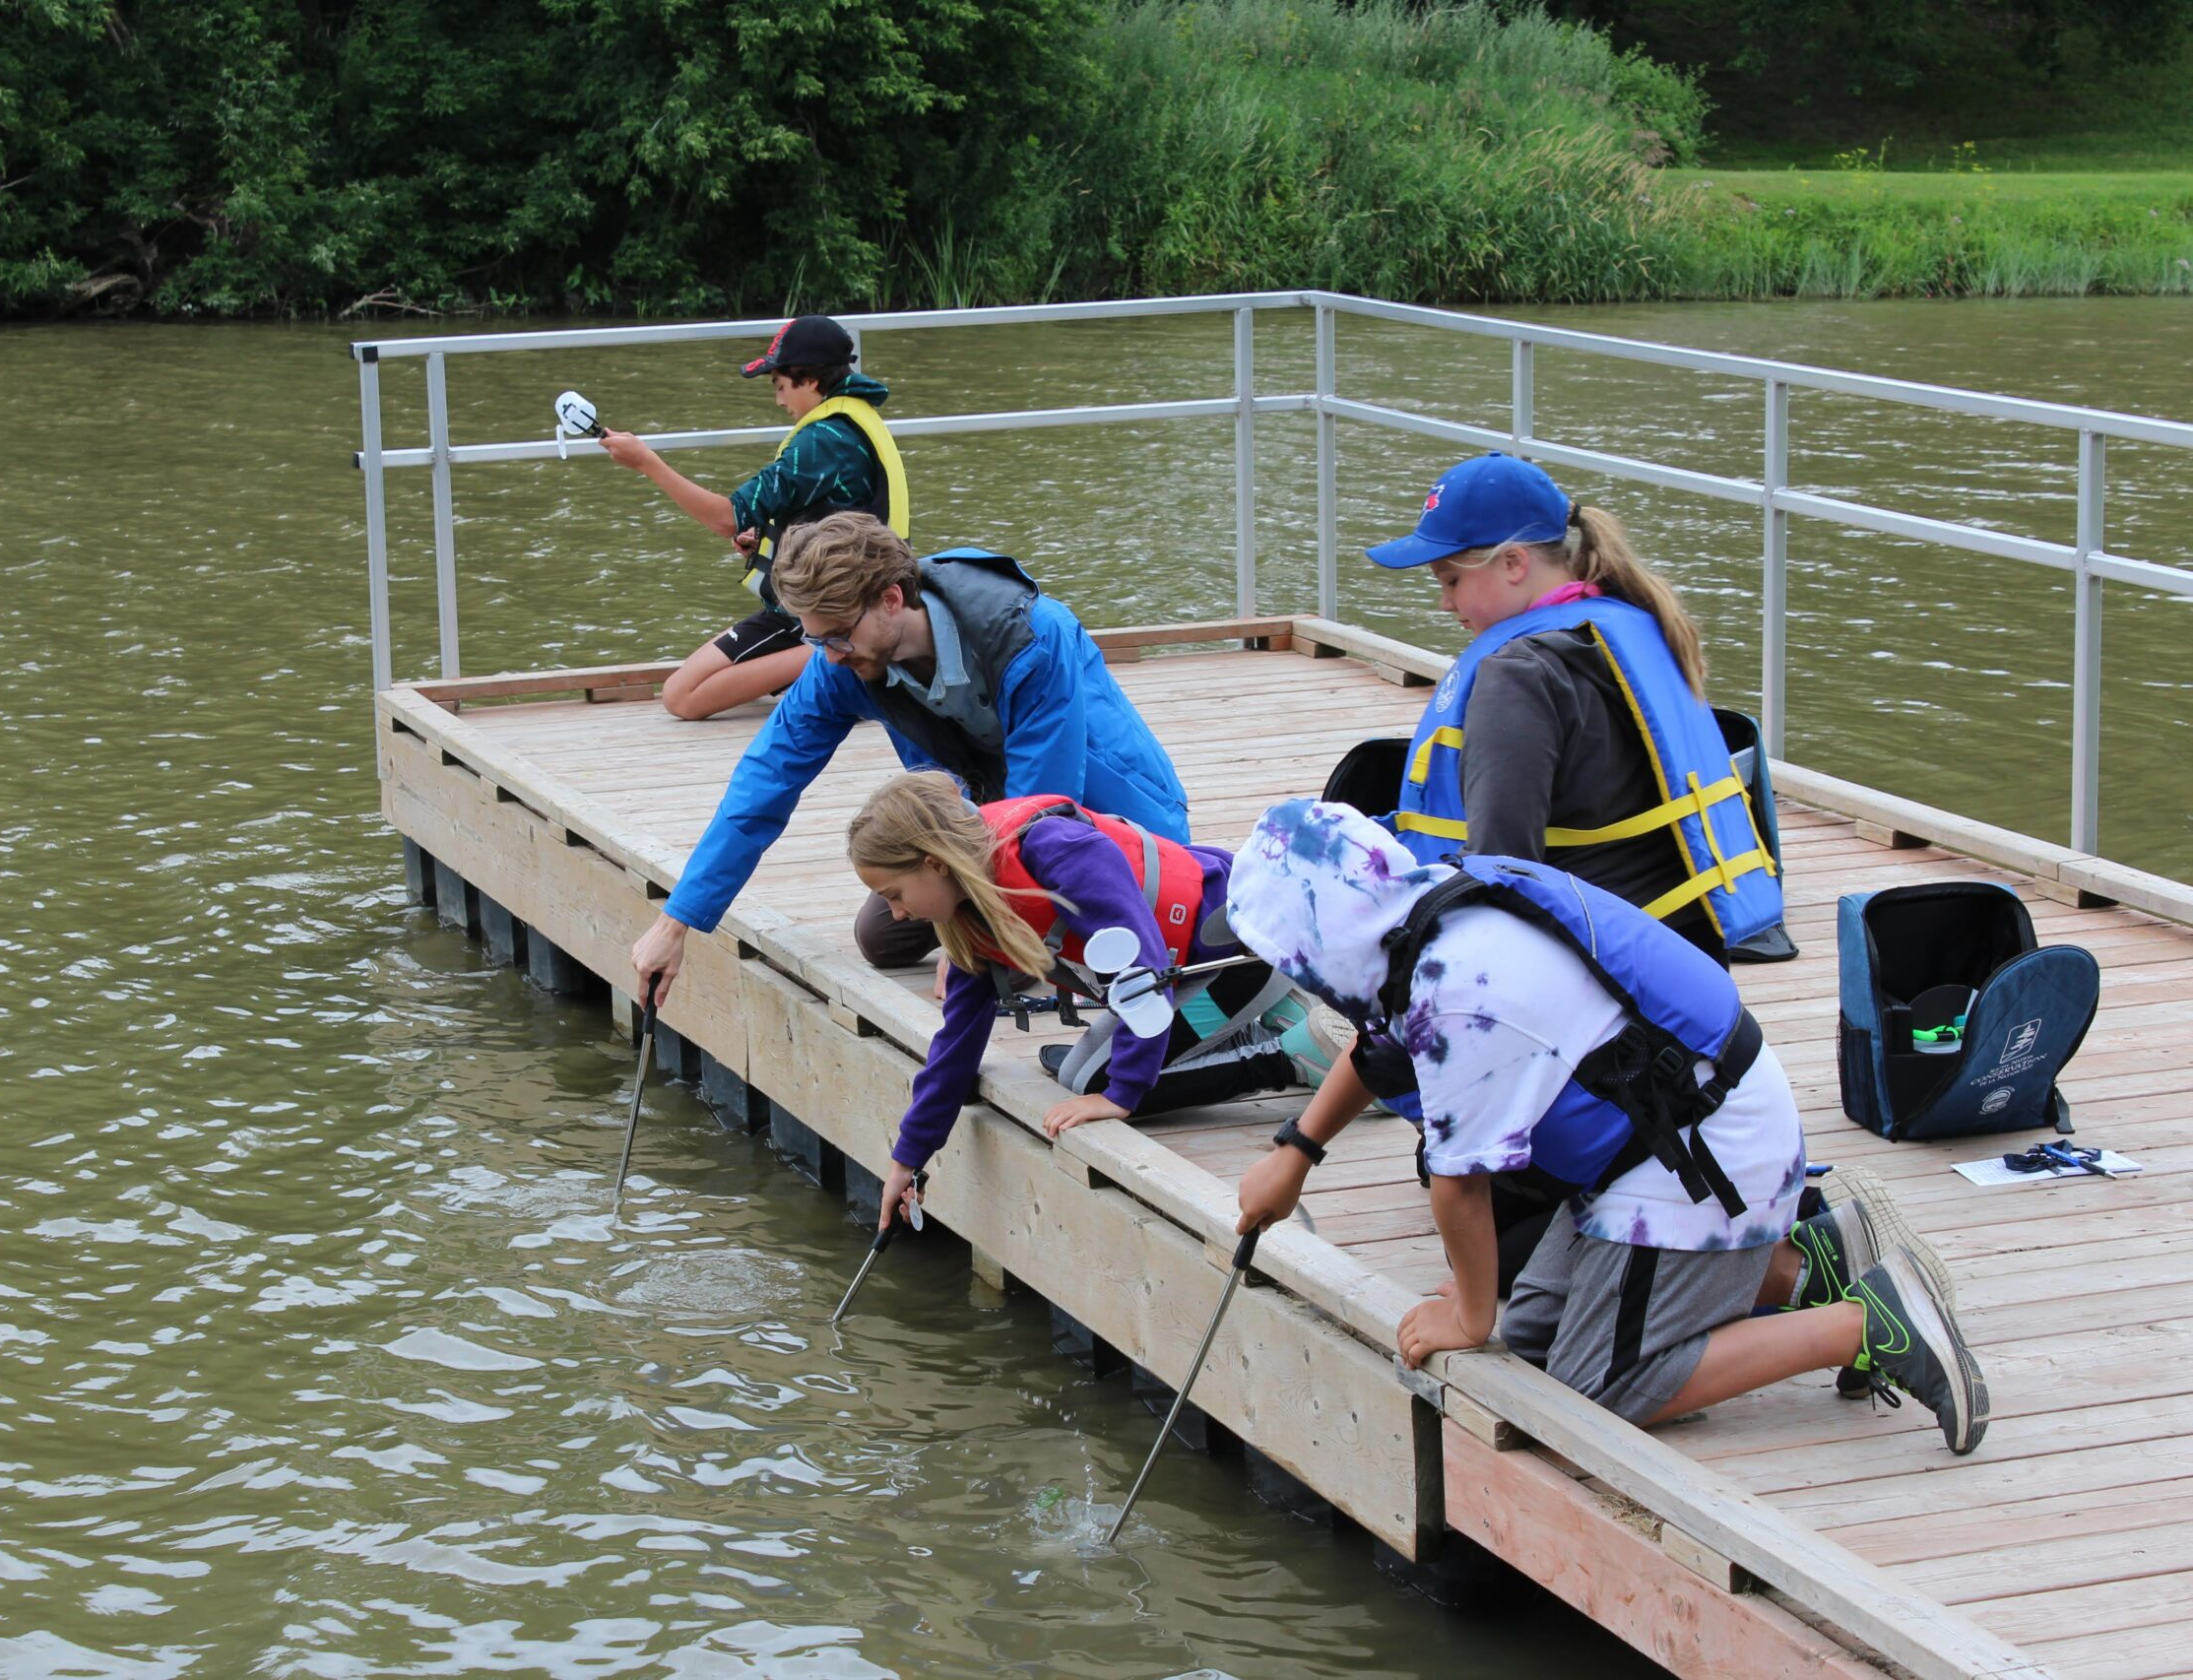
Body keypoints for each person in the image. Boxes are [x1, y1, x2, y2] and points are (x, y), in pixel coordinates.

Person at [1221, 799, 1986, 1454]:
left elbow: (1460, 1185)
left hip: (1702, 1159)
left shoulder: (1455, 994)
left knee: (1596, 1384)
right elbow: (1380, 1047)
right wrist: (1297, 1152)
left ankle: (1867, 1324)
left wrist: (1466, 1315)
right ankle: (1810, 1265)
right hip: (1664, 1145)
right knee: (1534, 1341)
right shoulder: (1430, 918)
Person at [628, 512, 1191, 1004]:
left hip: (1109, 816)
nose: (829, 655)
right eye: (815, 639)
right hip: (992, 815)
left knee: (1009, 949)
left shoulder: (1032, 637)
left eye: (838, 637)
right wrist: (676, 923)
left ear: (891, 600)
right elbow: (763, 785)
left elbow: (1045, 808)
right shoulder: (841, 664)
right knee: (884, 937)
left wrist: (978, 930)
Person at [844, 772, 1344, 1231]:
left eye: (895, 893)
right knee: (1077, 1076)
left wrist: (1122, 1094)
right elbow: (957, 1039)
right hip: (1179, 972)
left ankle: (1287, 1056)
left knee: (1101, 1083)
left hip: (1241, 956)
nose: (896, 913)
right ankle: (1253, 1023)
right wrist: (907, 1158)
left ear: (935, 863)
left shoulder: (1057, 851)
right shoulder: (970, 907)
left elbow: (1143, 972)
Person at [1364, 452, 1781, 967]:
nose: (1446, 604)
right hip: (1685, 962)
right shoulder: (1638, 627)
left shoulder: (1519, 673)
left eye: (1450, 580)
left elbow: (1501, 867)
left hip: (1592, 980)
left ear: (1514, 562)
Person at [599, 314, 910, 720]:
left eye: (781, 386)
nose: (780, 400)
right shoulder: (852, 420)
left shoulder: (822, 440)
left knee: (681, 696)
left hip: (821, 612)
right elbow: (840, 514)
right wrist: (764, 538)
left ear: (810, 381)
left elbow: (726, 517)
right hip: (843, 598)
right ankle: (848, 651)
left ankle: (850, 650)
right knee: (684, 689)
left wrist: (647, 463)